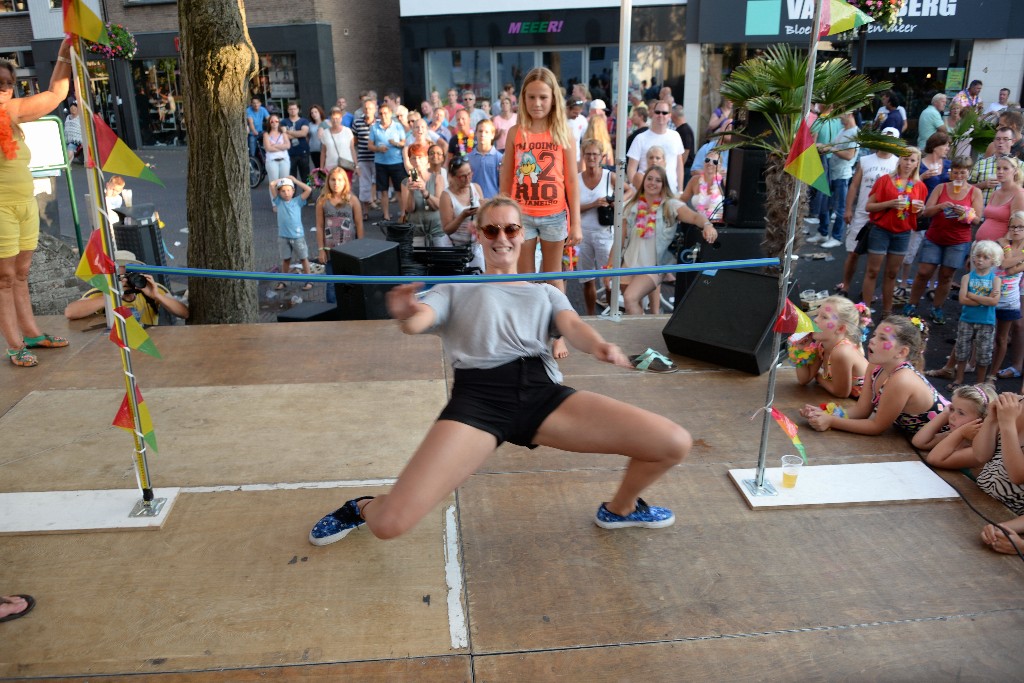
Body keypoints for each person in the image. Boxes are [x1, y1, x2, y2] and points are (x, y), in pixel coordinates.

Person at [307, 195, 693, 546]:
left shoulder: (544, 292)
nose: (502, 237)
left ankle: (621, 509)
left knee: (673, 442)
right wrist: (408, 313)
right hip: (479, 403)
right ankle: (360, 506)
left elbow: (573, 326)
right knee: (389, 524)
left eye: (511, 228)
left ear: (522, 235)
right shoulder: (454, 290)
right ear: (479, 234)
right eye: (492, 229)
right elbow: (419, 320)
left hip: (544, 397)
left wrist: (600, 346)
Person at [500, 67, 582, 360]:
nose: (537, 103)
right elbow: (507, 177)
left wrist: (576, 224)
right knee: (523, 277)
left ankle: (558, 336)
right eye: (532, 97)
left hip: (554, 216)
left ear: (553, 99)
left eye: (543, 97)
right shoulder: (515, 132)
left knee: (554, 277)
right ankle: (529, 334)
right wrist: (503, 217)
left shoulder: (564, 132)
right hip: (522, 217)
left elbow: (572, 180)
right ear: (523, 98)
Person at [1, 38, 73, 368]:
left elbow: (55, 95)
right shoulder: (5, 113)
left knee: (22, 273)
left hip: (25, 204)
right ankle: (14, 343)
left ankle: (30, 333)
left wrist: (65, 54)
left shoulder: (10, 114)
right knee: (4, 278)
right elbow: (54, 97)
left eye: (9, 84)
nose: (5, 90)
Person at [801, 316, 946, 436]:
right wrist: (826, 413)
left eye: (883, 338)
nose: (872, 340)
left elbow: (876, 427)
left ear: (901, 352)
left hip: (944, 437)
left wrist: (831, 421)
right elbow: (861, 411)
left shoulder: (902, 380)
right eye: (875, 335)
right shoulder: (875, 366)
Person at [619, 166, 717, 316]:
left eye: (658, 180)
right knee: (632, 306)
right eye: (649, 179)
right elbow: (619, 239)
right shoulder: (632, 205)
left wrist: (707, 225)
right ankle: (642, 333)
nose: (652, 183)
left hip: (655, 265)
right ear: (644, 181)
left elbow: (694, 216)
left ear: (663, 184)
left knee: (629, 298)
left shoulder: (670, 205)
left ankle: (640, 337)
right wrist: (610, 265)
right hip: (629, 262)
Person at [903, 155, 983, 326]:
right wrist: (940, 207)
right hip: (935, 236)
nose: (959, 176)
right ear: (951, 172)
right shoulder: (941, 188)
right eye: (956, 172)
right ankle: (912, 303)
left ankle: (937, 307)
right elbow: (926, 212)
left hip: (958, 240)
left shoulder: (975, 192)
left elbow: (977, 220)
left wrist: (966, 212)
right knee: (924, 271)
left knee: (946, 276)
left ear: (968, 173)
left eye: (963, 173)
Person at [860, 147, 928, 319]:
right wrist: (890, 203)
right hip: (880, 230)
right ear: (899, 160)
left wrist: (921, 210)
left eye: (912, 160)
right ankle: (864, 313)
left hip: (903, 233)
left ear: (917, 163)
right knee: (873, 271)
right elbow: (869, 206)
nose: (908, 163)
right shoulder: (885, 180)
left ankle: (887, 312)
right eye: (905, 159)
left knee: (892, 274)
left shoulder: (920, 186)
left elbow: (918, 213)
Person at [838, 128, 901, 297]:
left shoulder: (898, 163)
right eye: (884, 138)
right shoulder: (865, 160)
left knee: (875, 257)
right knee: (853, 253)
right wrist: (848, 208)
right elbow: (854, 185)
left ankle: (868, 291)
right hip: (862, 212)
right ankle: (845, 286)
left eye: (891, 140)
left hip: (883, 215)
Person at [65, 250, 189, 325]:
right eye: (120, 276)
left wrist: (156, 296)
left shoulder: (151, 289)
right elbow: (70, 312)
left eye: (130, 275)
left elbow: (184, 313)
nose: (126, 280)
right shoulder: (101, 293)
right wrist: (111, 296)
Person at [947, 240, 1002, 389]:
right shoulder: (967, 277)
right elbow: (962, 299)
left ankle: (979, 383)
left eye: (985, 257)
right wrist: (985, 299)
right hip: (967, 319)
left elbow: (994, 302)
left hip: (986, 322)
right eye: (978, 256)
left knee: (984, 354)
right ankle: (959, 379)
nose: (980, 260)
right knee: (962, 350)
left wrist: (972, 295)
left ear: (993, 261)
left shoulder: (995, 280)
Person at [791, 296, 868, 399]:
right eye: (817, 315)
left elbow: (841, 393)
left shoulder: (842, 352)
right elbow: (804, 379)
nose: (816, 320)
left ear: (840, 328)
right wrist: (800, 351)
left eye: (824, 317)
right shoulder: (821, 346)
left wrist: (818, 377)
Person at [966, 392, 1024, 517]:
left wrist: (1007, 423)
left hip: (1009, 513)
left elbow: (1017, 476)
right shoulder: (1013, 404)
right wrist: (991, 419)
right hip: (979, 496)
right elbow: (981, 455)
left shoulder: (1009, 413)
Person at [807, 112, 859, 249]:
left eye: (841, 115)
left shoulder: (854, 133)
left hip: (842, 175)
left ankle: (836, 237)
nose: (839, 118)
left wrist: (829, 148)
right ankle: (823, 232)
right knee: (826, 204)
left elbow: (849, 155)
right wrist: (824, 147)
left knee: (839, 208)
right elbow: (835, 147)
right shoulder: (843, 130)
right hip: (833, 172)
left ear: (849, 114)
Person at [578, 139, 617, 315]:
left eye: (595, 154)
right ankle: (591, 315)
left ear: (601, 157)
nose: (592, 157)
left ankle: (610, 313)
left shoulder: (610, 176)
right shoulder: (577, 179)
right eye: (588, 154)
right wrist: (594, 204)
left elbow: (629, 190)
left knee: (608, 280)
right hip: (583, 234)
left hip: (605, 234)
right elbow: (572, 208)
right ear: (583, 156)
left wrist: (615, 202)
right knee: (587, 280)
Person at [315, 167, 363, 304]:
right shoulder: (322, 201)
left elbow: (359, 224)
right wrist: (321, 250)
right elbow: (319, 226)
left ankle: (350, 309)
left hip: (350, 251)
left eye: (340, 180)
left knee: (350, 282)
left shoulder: (352, 200)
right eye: (333, 180)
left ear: (345, 182)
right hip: (330, 251)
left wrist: (362, 248)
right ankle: (333, 312)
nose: (336, 183)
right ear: (328, 181)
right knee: (331, 283)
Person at [912, 384, 994, 460]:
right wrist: (945, 414)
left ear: (982, 420)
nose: (952, 416)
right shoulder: (952, 434)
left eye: (961, 413)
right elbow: (919, 442)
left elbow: (933, 459)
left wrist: (960, 433)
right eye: (952, 409)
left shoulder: (979, 449)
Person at [626, 100, 685, 195]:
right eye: (657, 112)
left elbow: (679, 165)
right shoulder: (640, 138)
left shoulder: (675, 136)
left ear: (669, 116)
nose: (660, 115)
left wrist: (680, 191)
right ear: (653, 113)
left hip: (670, 192)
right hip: (645, 194)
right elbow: (631, 168)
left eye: (664, 113)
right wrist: (638, 189)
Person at [991, 217, 1024, 380]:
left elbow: (1009, 269)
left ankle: (1017, 365)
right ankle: (974, 362)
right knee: (985, 326)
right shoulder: (1003, 241)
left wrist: (1009, 255)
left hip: (1015, 288)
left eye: (1020, 227)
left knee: (1018, 325)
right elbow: (1005, 265)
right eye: (1013, 226)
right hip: (1005, 287)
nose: (1016, 230)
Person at [440, 155, 484, 272]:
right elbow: (447, 229)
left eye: (469, 174)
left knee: (479, 280)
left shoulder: (476, 188)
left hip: (474, 246)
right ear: (452, 177)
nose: (468, 178)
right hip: (454, 247)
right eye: (462, 176)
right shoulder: (446, 196)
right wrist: (463, 216)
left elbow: (483, 218)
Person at [270, 176, 314, 291]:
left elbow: (308, 190)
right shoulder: (278, 201)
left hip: (297, 236)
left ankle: (309, 280)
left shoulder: (298, 201)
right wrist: (282, 179)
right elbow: (271, 185)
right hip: (283, 236)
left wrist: (295, 181)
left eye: (289, 190)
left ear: (293, 191)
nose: (286, 193)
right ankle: (284, 280)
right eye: (283, 191)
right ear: (279, 192)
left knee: (303, 258)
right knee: (286, 260)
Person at [402, 142, 446, 247]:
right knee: (419, 262)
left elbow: (438, 205)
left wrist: (424, 191)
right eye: (413, 158)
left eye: (420, 157)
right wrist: (411, 193)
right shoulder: (405, 182)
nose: (417, 161)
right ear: (410, 161)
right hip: (417, 233)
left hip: (437, 232)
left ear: (426, 159)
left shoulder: (437, 178)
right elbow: (409, 210)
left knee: (440, 261)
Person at [369, 103, 408, 223]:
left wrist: (395, 143)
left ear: (391, 113)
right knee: (383, 190)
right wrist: (378, 149)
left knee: (399, 190)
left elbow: (404, 143)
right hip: (381, 163)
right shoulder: (374, 127)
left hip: (397, 162)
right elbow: (369, 145)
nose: (383, 115)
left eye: (385, 113)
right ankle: (386, 215)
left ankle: (403, 213)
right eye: (381, 113)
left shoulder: (398, 126)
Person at [975, 155, 1024, 243]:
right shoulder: (995, 193)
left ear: (1015, 171)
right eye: (998, 168)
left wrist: (1002, 245)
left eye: (1005, 168)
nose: (1000, 172)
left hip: (998, 248)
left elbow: (1017, 227)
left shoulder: (1019, 194)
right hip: (981, 245)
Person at [971, 127, 1016, 206]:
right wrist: (982, 185)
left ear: (1013, 141)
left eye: (1005, 139)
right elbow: (966, 188)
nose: (1001, 142)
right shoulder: (981, 163)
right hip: (981, 214)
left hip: (1007, 215)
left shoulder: (1020, 165)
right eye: (998, 139)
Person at [679, 150, 725, 224]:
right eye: (707, 160)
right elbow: (682, 200)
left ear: (719, 166)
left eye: (715, 162)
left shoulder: (724, 182)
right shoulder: (695, 180)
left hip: (719, 225)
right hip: (698, 224)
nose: (710, 163)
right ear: (704, 162)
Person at [351, 97, 378, 213]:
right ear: (362, 109)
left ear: (374, 109)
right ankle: (365, 211)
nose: (368, 110)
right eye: (366, 108)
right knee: (364, 185)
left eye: (370, 108)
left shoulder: (379, 122)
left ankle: (377, 204)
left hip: (378, 158)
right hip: (363, 157)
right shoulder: (357, 122)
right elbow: (354, 141)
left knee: (378, 182)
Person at [466, 119, 501, 199]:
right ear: (475, 133)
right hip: (473, 201)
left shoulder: (500, 158)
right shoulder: (468, 158)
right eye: (480, 131)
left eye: (486, 132)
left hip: (493, 202)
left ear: (492, 135)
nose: (483, 134)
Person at [319, 106, 356, 180]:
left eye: (337, 118)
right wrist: (321, 167)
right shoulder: (325, 133)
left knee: (347, 189)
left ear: (341, 119)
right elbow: (323, 152)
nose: (335, 121)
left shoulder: (347, 131)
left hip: (346, 165)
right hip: (330, 166)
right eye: (333, 118)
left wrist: (356, 165)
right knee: (334, 188)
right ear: (330, 119)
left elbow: (352, 149)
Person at [262, 114, 291, 206]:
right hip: (272, 161)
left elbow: (288, 146)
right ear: (269, 123)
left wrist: (275, 146)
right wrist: (281, 147)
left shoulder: (283, 133)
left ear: (279, 122)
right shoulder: (266, 134)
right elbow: (268, 148)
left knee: (285, 183)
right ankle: (275, 204)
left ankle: (285, 202)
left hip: (284, 160)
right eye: (272, 121)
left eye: (276, 121)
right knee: (273, 183)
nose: (274, 123)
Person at [282, 102, 311, 182]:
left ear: (298, 110)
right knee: (291, 177)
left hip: (303, 152)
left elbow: (304, 133)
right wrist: (298, 133)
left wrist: (289, 132)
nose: (292, 111)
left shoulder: (304, 121)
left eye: (294, 109)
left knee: (306, 176)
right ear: (287, 110)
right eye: (290, 109)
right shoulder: (284, 122)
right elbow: (284, 136)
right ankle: (291, 194)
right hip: (289, 153)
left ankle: (308, 194)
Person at [307, 104, 327, 170]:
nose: (314, 114)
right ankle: (321, 180)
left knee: (326, 169)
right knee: (318, 170)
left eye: (316, 112)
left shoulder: (326, 122)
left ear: (320, 112)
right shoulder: (310, 124)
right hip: (314, 150)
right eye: (312, 113)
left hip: (326, 150)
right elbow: (308, 136)